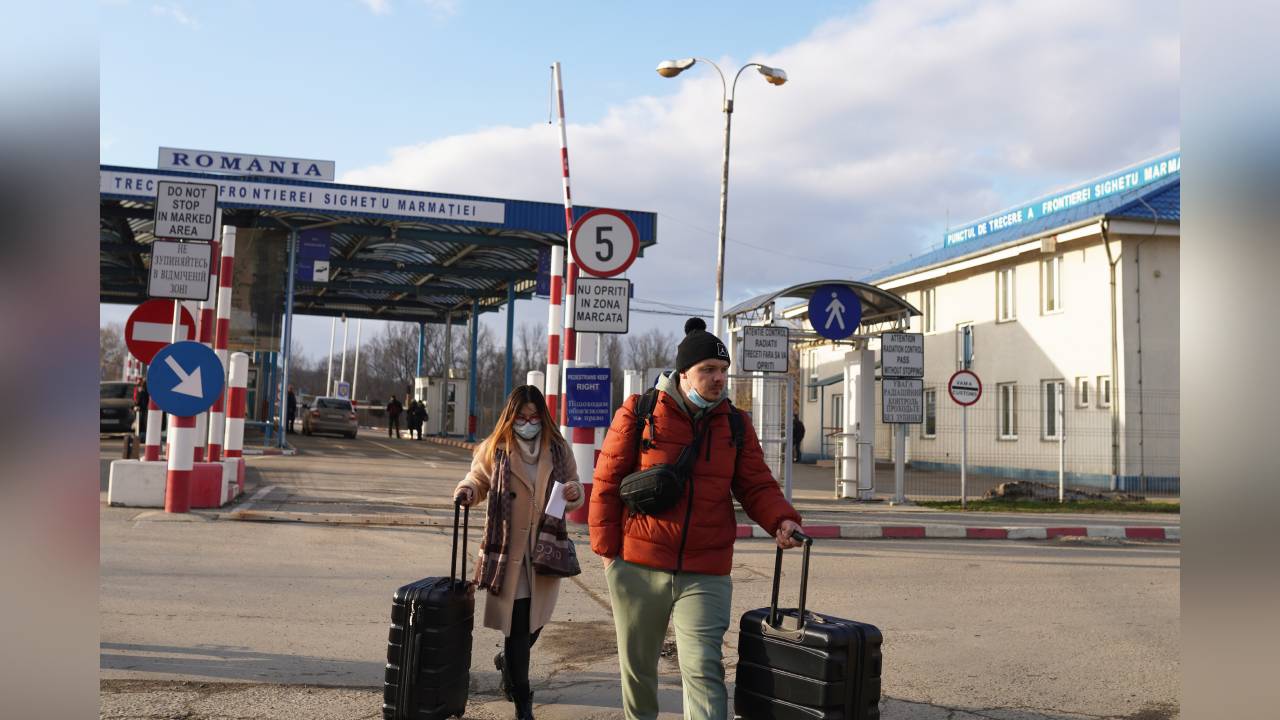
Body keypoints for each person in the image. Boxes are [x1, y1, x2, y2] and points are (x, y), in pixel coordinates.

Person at [590, 317, 806, 720]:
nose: (718, 378)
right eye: (708, 369)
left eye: (723, 370)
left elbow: (757, 484)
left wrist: (782, 520)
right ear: (684, 373)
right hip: (638, 565)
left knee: (704, 668)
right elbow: (606, 481)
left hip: (706, 569)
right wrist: (608, 555)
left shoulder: (736, 425)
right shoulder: (640, 412)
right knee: (638, 672)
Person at [454, 385, 584, 720]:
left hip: (545, 547)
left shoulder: (558, 449)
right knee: (519, 626)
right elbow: (478, 479)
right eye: (521, 417)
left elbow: (574, 486)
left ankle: (508, 662)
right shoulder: (496, 446)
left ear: (543, 417)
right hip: (507, 551)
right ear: (510, 417)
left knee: (533, 624)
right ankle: (522, 699)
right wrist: (467, 490)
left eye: (534, 417)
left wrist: (574, 492)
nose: (528, 423)